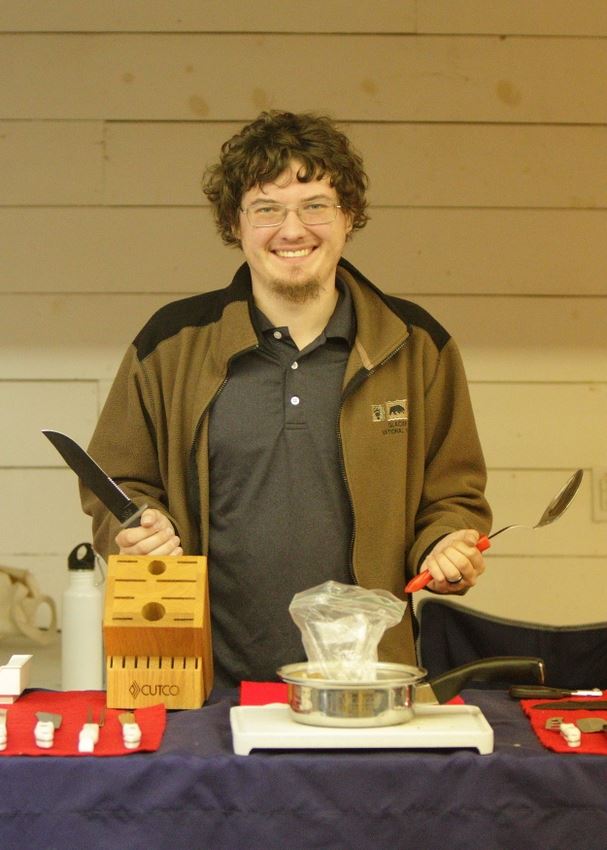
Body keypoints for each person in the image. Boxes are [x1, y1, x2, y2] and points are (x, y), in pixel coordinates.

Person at [81, 110, 492, 687]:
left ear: (348, 215)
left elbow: (453, 495)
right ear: (236, 223)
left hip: (367, 687)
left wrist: (445, 545)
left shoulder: (418, 345)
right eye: (266, 209)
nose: (292, 230)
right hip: (206, 685)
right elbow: (116, 488)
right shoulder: (169, 345)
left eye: (315, 205)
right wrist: (139, 530)